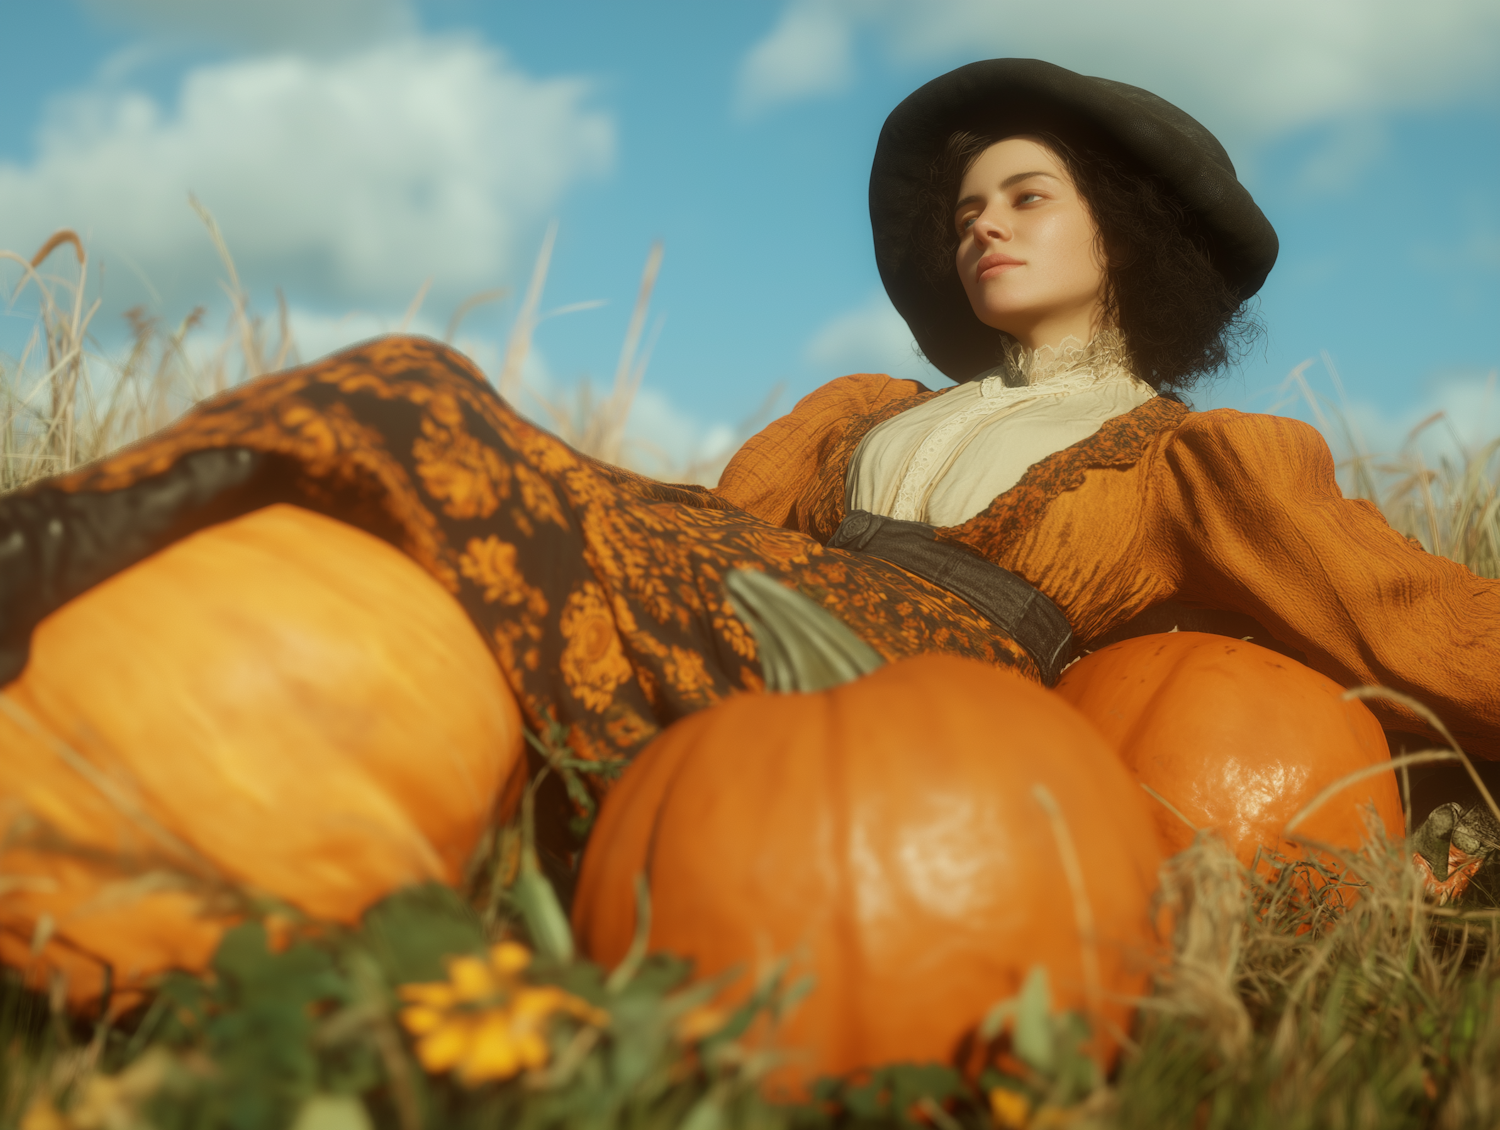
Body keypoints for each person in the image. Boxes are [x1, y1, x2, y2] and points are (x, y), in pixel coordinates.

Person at [3, 59, 1497, 851]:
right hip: (754, 614)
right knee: (416, 396)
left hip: (919, 699)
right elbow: (702, 538)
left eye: (1026, 196)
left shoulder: (1195, 457)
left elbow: (1398, 611)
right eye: (967, 206)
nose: (981, 222)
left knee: (414, 397)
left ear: (1127, 231)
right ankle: (69, 583)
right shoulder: (861, 409)